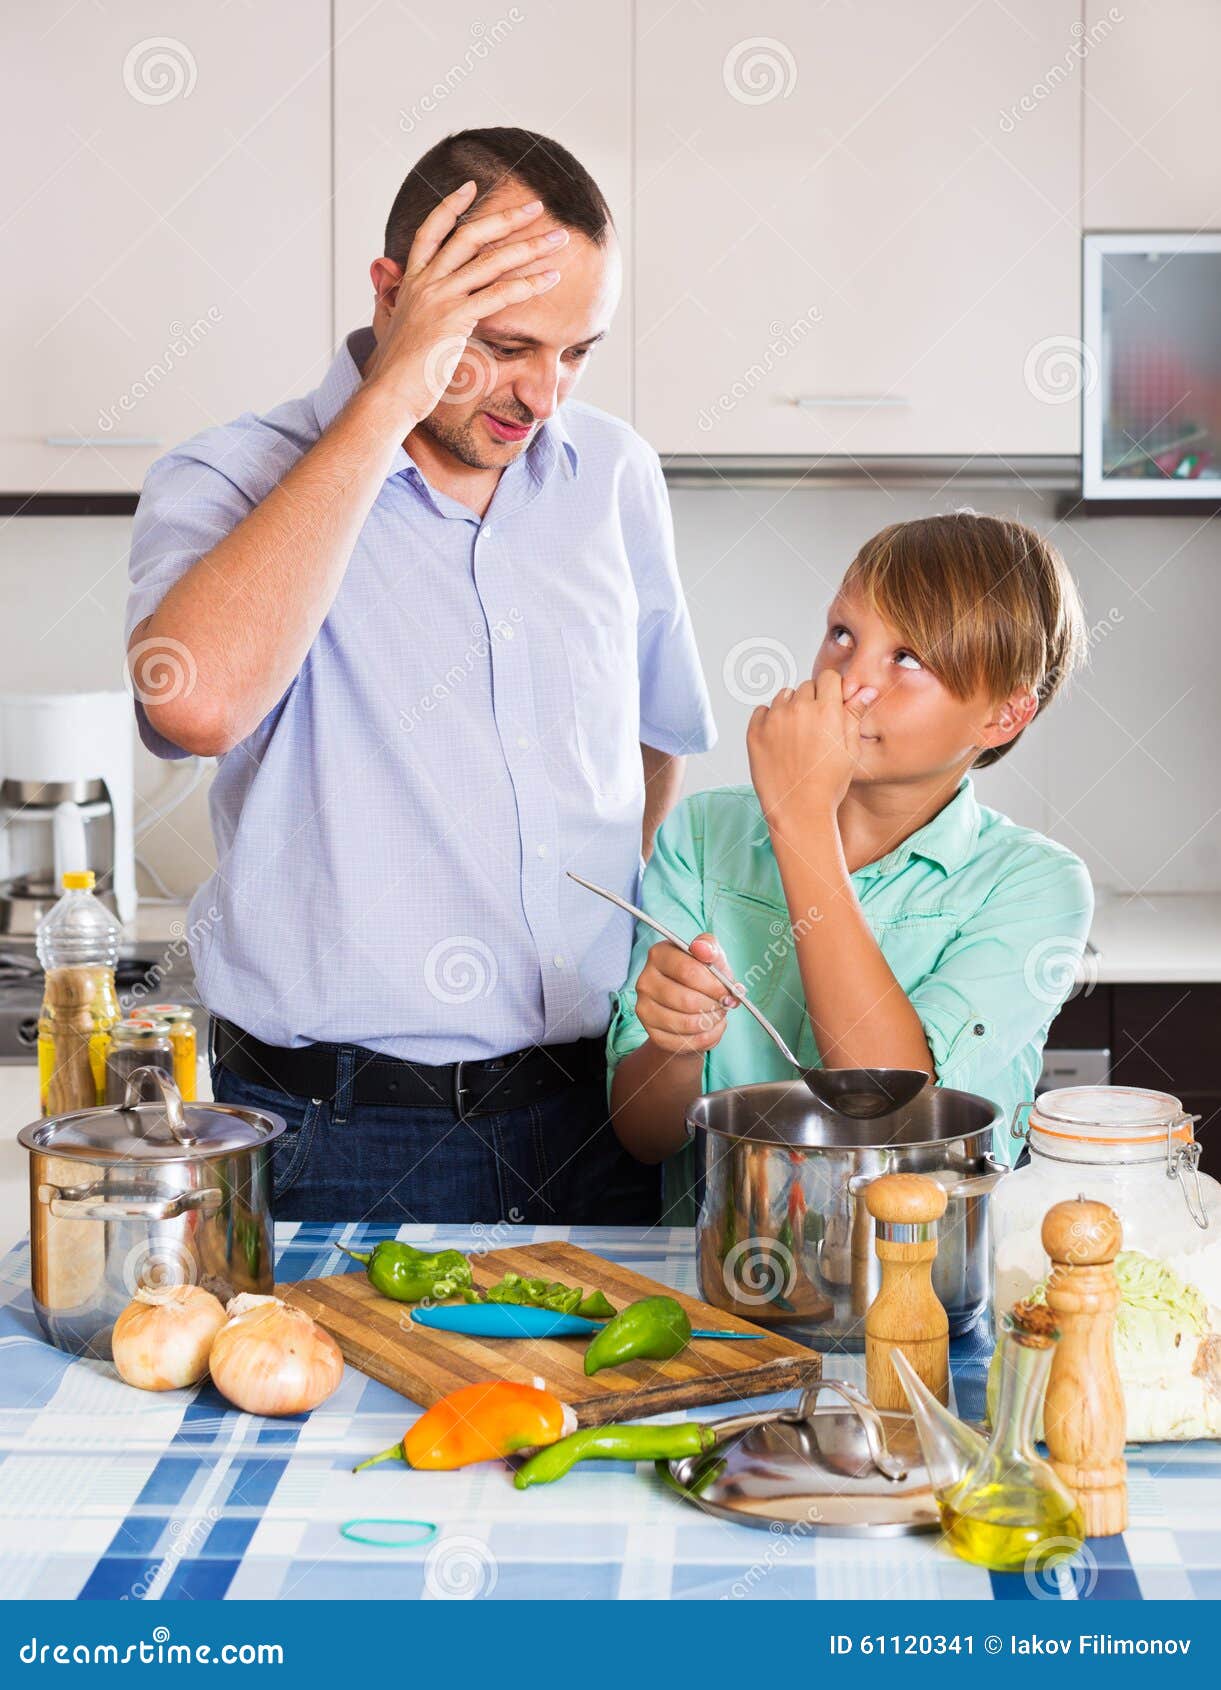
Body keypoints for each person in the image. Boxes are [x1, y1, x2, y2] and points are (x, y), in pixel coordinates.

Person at [124, 127, 715, 1225]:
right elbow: (192, 702)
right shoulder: (227, 477)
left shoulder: (614, 476)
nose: (543, 395)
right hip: (339, 1137)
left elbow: (656, 732)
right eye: (501, 343)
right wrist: (388, 404)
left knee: (611, 1406)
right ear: (394, 295)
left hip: (596, 1123)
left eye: (577, 351)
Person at [607, 512, 1094, 1221]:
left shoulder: (1033, 886)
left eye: (906, 659)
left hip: (921, 1285)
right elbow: (642, 1137)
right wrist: (676, 1045)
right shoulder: (704, 833)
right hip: (714, 1284)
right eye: (842, 634)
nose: (850, 681)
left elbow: (897, 1125)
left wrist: (799, 821)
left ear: (1003, 717)